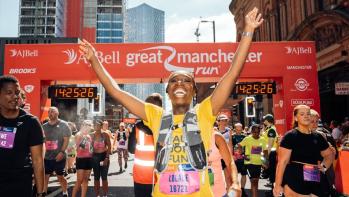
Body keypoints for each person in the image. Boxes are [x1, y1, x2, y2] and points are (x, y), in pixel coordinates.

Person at [79, 7, 262, 196]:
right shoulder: (156, 115)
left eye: (186, 80)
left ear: (194, 91)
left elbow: (231, 75)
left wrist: (248, 31)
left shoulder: (204, 112)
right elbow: (116, 92)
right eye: (174, 80)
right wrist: (94, 60)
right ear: (167, 91)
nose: (179, 83)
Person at [273, 105, 335, 197]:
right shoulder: (290, 136)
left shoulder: (318, 137)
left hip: (315, 176)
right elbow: (282, 162)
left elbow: (329, 154)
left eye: (308, 114)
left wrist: (324, 167)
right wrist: (277, 185)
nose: (306, 116)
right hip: (295, 177)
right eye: (302, 114)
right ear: (296, 118)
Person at [0, 75, 45, 197]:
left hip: (21, 185)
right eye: (9, 93)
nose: (15, 96)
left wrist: (40, 193)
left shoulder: (30, 122)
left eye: (17, 92)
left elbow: (38, 160)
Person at [128, 93, 163, 197]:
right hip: (163, 177)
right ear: (160, 108)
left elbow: (131, 149)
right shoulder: (167, 126)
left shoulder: (137, 127)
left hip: (141, 177)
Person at [42, 107, 72, 196]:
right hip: (47, 156)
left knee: (60, 176)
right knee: (45, 176)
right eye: (49, 112)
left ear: (57, 113)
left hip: (59, 156)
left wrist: (62, 152)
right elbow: (42, 141)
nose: (50, 113)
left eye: (53, 111)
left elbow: (66, 140)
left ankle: (65, 192)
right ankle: (44, 192)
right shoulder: (44, 126)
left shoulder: (64, 125)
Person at [310, 109, 338, 197]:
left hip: (316, 170)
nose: (315, 124)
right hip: (305, 171)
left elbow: (332, 154)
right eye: (312, 121)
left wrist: (324, 167)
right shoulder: (296, 135)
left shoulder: (321, 135)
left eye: (317, 121)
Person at [208, 128, 241, 197]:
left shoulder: (216, 136)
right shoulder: (182, 135)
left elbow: (230, 162)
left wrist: (235, 183)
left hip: (216, 192)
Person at [238, 124, 268, 197]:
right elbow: (239, 145)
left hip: (258, 164)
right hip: (249, 163)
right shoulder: (247, 139)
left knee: (255, 183)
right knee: (254, 182)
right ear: (251, 132)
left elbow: (265, 152)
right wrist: (242, 154)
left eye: (258, 132)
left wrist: (265, 163)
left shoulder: (263, 140)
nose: (256, 134)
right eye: (254, 132)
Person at [72, 120, 94, 197]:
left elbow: (90, 149)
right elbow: (78, 149)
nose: (89, 129)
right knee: (79, 180)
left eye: (90, 127)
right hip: (81, 159)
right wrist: (84, 139)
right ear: (83, 126)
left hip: (89, 159)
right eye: (88, 127)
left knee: (86, 180)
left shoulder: (88, 136)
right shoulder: (79, 135)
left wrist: (93, 153)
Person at [92, 119, 112, 197]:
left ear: (101, 126)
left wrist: (106, 158)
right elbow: (87, 147)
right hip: (94, 158)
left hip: (104, 157)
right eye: (95, 125)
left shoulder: (105, 135)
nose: (96, 126)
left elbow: (109, 146)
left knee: (104, 177)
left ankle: (105, 195)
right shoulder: (91, 135)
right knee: (96, 177)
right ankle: (97, 194)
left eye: (98, 125)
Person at [261, 114, 278, 189]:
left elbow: (270, 144)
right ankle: (272, 187)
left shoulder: (271, 130)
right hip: (268, 152)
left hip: (271, 152)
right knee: (270, 170)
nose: (264, 121)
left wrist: (267, 156)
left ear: (267, 121)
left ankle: (272, 190)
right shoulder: (269, 128)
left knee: (272, 170)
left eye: (264, 120)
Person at [232, 122, 248, 196]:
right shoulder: (231, 137)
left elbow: (247, 147)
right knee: (234, 175)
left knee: (244, 174)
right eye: (237, 129)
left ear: (242, 129)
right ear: (234, 129)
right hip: (234, 159)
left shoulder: (245, 137)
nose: (238, 131)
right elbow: (230, 147)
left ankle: (242, 189)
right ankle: (236, 189)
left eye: (240, 129)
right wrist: (232, 156)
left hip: (243, 159)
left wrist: (246, 156)